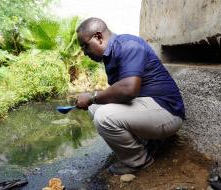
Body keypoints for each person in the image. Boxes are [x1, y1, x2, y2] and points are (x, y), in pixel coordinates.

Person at [75, 17, 185, 175]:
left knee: (104, 117)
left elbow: (128, 90)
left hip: (168, 113)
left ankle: (139, 161)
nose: (84, 53)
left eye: (85, 46)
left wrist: (92, 96)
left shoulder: (128, 45)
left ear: (98, 37)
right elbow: (119, 92)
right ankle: (147, 143)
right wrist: (93, 100)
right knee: (95, 108)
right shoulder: (111, 54)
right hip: (150, 107)